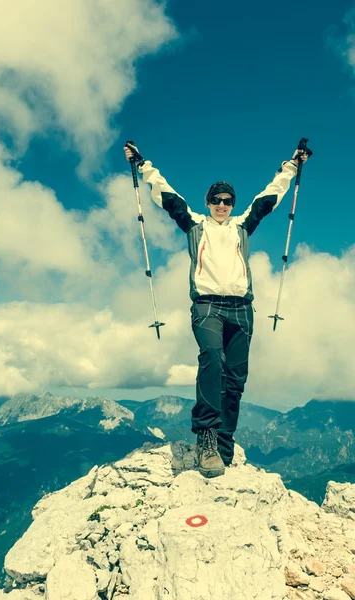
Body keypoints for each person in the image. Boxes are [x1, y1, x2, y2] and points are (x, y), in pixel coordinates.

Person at [124, 143, 308, 478]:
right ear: (208, 203)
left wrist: (292, 166)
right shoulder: (195, 224)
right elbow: (167, 196)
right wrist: (142, 165)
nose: (222, 205)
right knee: (211, 357)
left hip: (242, 309)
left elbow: (269, 198)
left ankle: (224, 443)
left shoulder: (242, 226)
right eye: (216, 200)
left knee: (235, 379)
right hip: (207, 305)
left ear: (232, 205)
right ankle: (205, 438)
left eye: (227, 201)